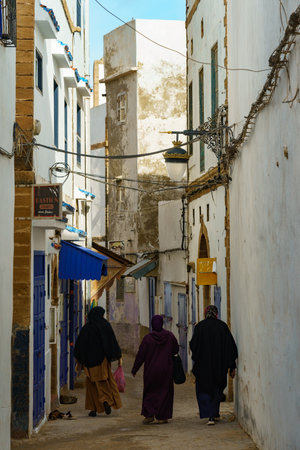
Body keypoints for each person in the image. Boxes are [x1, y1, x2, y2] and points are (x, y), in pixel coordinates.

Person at [189, 305, 238, 426]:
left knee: (204, 390)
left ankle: (209, 414)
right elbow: (230, 347)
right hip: (219, 366)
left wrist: (198, 357)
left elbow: (193, 345)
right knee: (216, 389)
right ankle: (214, 413)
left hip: (203, 367)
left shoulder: (199, 327)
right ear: (216, 314)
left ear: (205, 313)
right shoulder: (222, 327)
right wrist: (232, 366)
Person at [74, 306, 122, 417]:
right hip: (102, 360)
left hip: (89, 362)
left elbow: (80, 345)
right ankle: (106, 400)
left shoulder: (87, 327)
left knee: (91, 384)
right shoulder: (105, 325)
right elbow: (112, 342)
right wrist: (117, 356)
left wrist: (80, 361)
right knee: (103, 380)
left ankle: (93, 409)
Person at [131, 315, 179, 424]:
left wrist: (135, 369)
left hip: (151, 371)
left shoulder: (148, 339)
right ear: (161, 323)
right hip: (166, 370)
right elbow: (175, 349)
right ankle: (162, 416)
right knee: (165, 392)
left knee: (150, 392)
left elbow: (141, 356)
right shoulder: (169, 336)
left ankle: (149, 415)